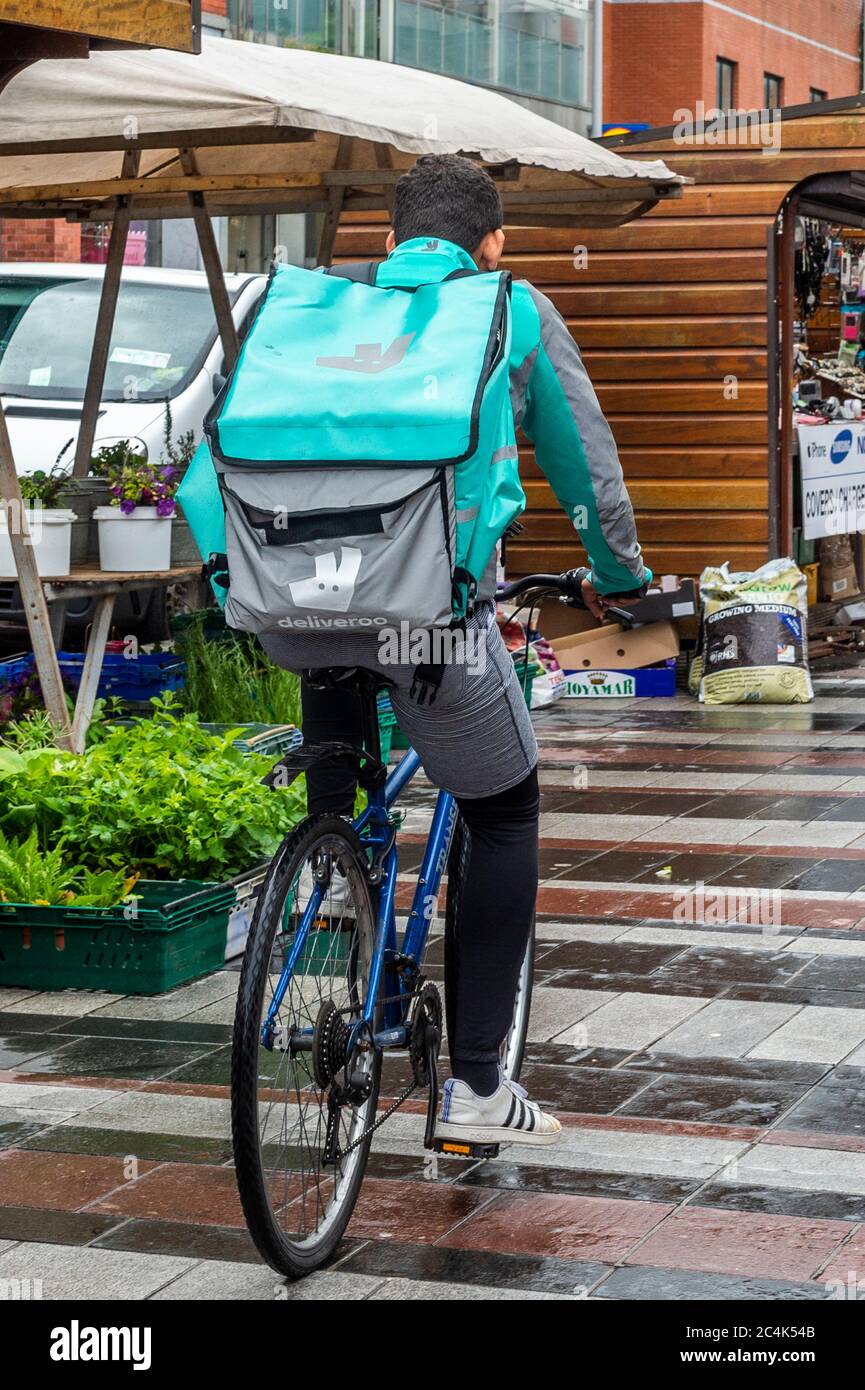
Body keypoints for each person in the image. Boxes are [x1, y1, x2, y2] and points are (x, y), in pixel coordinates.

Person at [261, 153, 650, 1149]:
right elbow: (583, 465)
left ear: (390, 244)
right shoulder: (510, 309)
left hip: (288, 607)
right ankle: (477, 1088)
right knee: (505, 805)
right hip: (428, 621)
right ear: (494, 245)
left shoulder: (313, 308)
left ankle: (335, 863)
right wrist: (619, 576)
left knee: (341, 763)